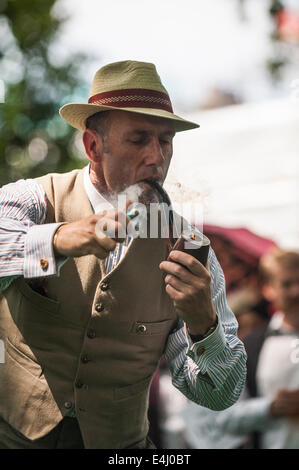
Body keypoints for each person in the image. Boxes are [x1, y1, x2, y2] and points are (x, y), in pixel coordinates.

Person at [0, 60, 246, 449]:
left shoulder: (191, 248)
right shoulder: (34, 198)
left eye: (165, 140)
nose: (157, 157)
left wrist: (206, 327)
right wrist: (57, 240)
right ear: (93, 145)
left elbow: (219, 396)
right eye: (138, 139)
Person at [181, 248, 299, 449]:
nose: (297, 291)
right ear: (268, 289)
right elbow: (224, 417)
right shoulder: (251, 347)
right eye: (287, 284)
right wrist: (270, 407)